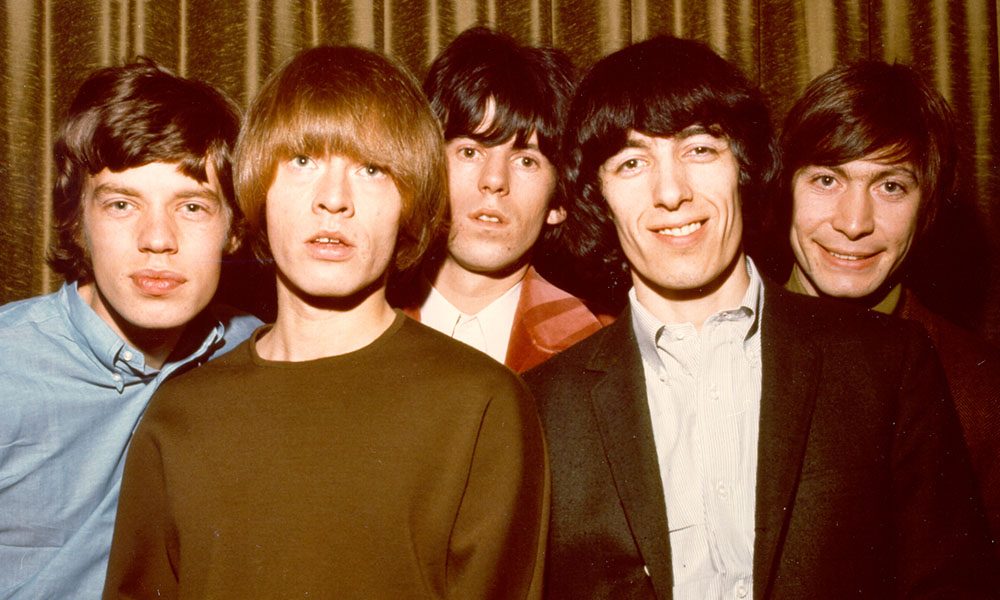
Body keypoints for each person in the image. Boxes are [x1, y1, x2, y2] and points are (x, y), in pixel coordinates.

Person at [523, 36, 996, 598]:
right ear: (597, 196)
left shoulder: (889, 364)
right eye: (632, 163)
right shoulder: (542, 407)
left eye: (700, 150)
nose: (671, 192)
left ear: (744, 166)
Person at [103, 45, 548, 598]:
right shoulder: (178, 415)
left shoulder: (482, 405)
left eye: (371, 169)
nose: (334, 200)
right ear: (258, 188)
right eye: (302, 161)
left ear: (410, 203)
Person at [0, 60, 260, 598]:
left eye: (192, 207)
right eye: (122, 204)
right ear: (77, 223)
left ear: (233, 229)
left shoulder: (260, 353)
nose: (157, 239)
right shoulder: (9, 366)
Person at [779, 60, 1000, 558]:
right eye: (826, 180)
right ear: (784, 187)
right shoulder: (717, 348)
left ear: (928, 207)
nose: (854, 223)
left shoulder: (983, 394)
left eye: (891, 186)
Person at [393, 27, 607, 373]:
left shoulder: (592, 350)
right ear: (428, 167)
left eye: (526, 161)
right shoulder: (354, 324)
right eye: (470, 152)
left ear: (558, 203)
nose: (494, 180)